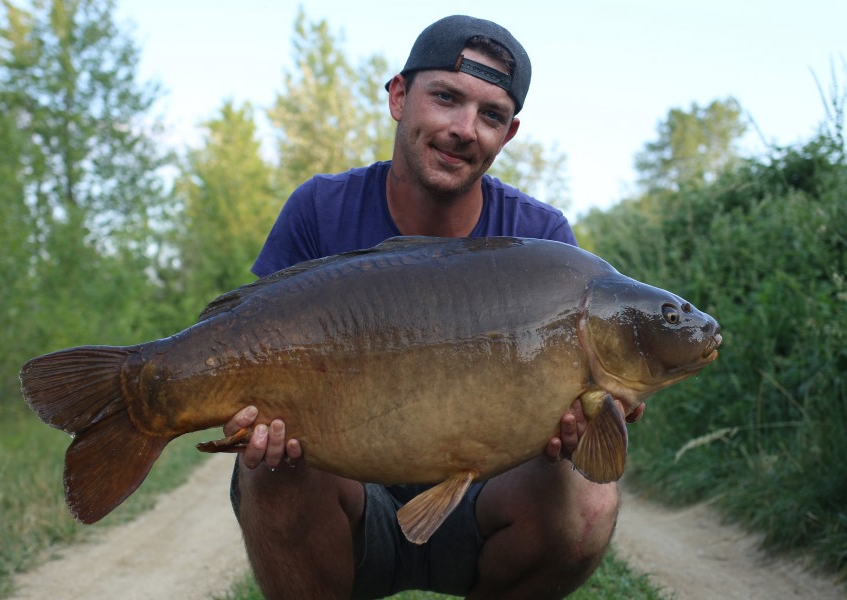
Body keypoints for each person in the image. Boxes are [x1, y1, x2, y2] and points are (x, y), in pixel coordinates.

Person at [225, 15, 644, 600]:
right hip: (343, 499)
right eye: (446, 98)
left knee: (589, 496)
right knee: (270, 468)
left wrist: (590, 421)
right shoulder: (320, 209)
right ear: (399, 96)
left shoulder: (540, 242)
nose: (464, 128)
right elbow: (247, 341)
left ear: (510, 132)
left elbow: (585, 415)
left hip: (485, 502)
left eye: (491, 115)